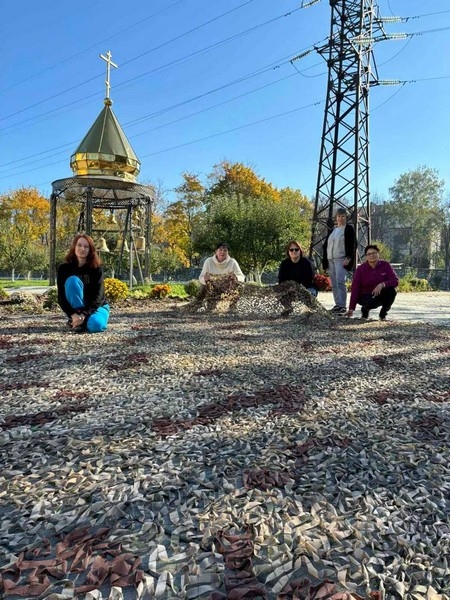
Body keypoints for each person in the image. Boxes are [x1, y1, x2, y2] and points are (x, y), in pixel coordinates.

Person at [57, 234, 110, 333]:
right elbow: (61, 296)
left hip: (96, 307)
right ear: (74, 247)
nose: (82, 248)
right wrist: (73, 314)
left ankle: (79, 322)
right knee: (72, 280)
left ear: (90, 250)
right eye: (79, 245)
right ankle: (76, 320)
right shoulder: (64, 269)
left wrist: (84, 314)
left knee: (96, 326)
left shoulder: (96, 269)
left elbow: (99, 297)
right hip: (76, 309)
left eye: (86, 246)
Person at [345, 244, 399, 320]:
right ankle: (365, 310)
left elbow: (395, 281)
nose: (372, 255)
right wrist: (351, 308)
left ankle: (383, 315)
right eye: (369, 254)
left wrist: (382, 284)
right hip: (365, 295)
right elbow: (355, 288)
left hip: (381, 293)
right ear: (366, 256)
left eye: (374, 253)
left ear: (378, 254)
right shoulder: (361, 269)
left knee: (392, 291)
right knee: (370, 303)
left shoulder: (386, 265)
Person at [322, 207, 355, 314]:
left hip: (341, 259)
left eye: (343, 216)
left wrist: (349, 258)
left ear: (346, 217)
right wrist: (325, 261)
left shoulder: (348, 229)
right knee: (334, 283)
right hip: (330, 259)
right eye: (339, 216)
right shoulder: (333, 230)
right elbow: (326, 246)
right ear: (336, 218)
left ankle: (342, 306)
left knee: (340, 281)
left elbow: (352, 244)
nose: (341, 218)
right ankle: (337, 305)